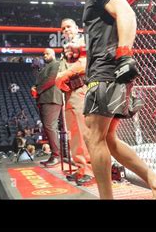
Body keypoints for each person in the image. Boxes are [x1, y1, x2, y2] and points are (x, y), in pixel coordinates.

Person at [58, 0, 156, 199]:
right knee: (108, 139)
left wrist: (125, 54)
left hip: (106, 72)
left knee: (94, 136)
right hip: (105, 71)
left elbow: (127, 14)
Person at [55, 18, 94, 185]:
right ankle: (81, 169)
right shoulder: (66, 48)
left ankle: (91, 171)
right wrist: (60, 78)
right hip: (70, 93)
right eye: (63, 29)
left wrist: (63, 76)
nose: (66, 30)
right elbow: (62, 70)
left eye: (68, 27)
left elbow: (84, 64)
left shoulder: (83, 41)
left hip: (81, 90)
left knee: (83, 131)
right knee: (74, 132)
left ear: (77, 28)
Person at [32, 49, 63, 167]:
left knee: (50, 126)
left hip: (52, 98)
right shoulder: (44, 68)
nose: (45, 56)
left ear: (53, 55)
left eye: (47, 54)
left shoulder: (56, 64)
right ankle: (54, 155)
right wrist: (34, 87)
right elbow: (39, 82)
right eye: (44, 54)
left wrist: (38, 90)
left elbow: (51, 80)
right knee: (48, 127)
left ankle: (56, 155)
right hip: (45, 99)